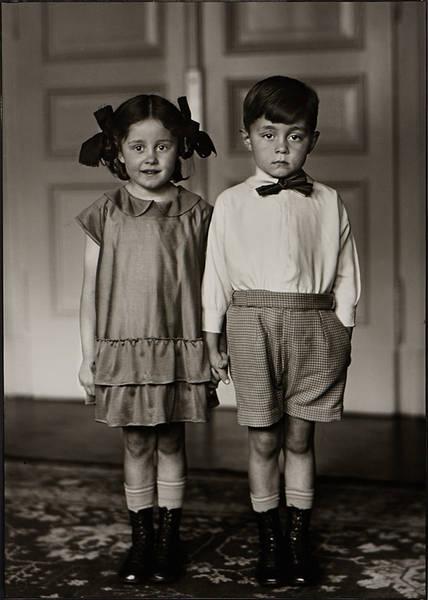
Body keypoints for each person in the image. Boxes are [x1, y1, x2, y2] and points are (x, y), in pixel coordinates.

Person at [202, 75, 360, 587]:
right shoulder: (230, 203)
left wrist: (344, 325)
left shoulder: (329, 200)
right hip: (251, 322)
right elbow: (217, 273)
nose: (281, 147)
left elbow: (346, 271)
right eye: (269, 134)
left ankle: (298, 538)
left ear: (313, 139)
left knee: (300, 435)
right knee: (263, 437)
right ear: (247, 137)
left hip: (315, 321)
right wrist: (212, 333)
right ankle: (270, 541)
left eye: (295, 135)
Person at [76, 94, 217, 585]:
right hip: (123, 348)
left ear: (182, 149)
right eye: (138, 147)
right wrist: (86, 355)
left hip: (179, 345)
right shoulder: (106, 212)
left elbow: (213, 287)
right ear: (118, 151)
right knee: (137, 444)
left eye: (163, 146)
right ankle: (141, 539)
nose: (151, 157)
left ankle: (168, 540)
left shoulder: (199, 213)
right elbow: (89, 292)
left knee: (173, 440)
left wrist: (214, 345)